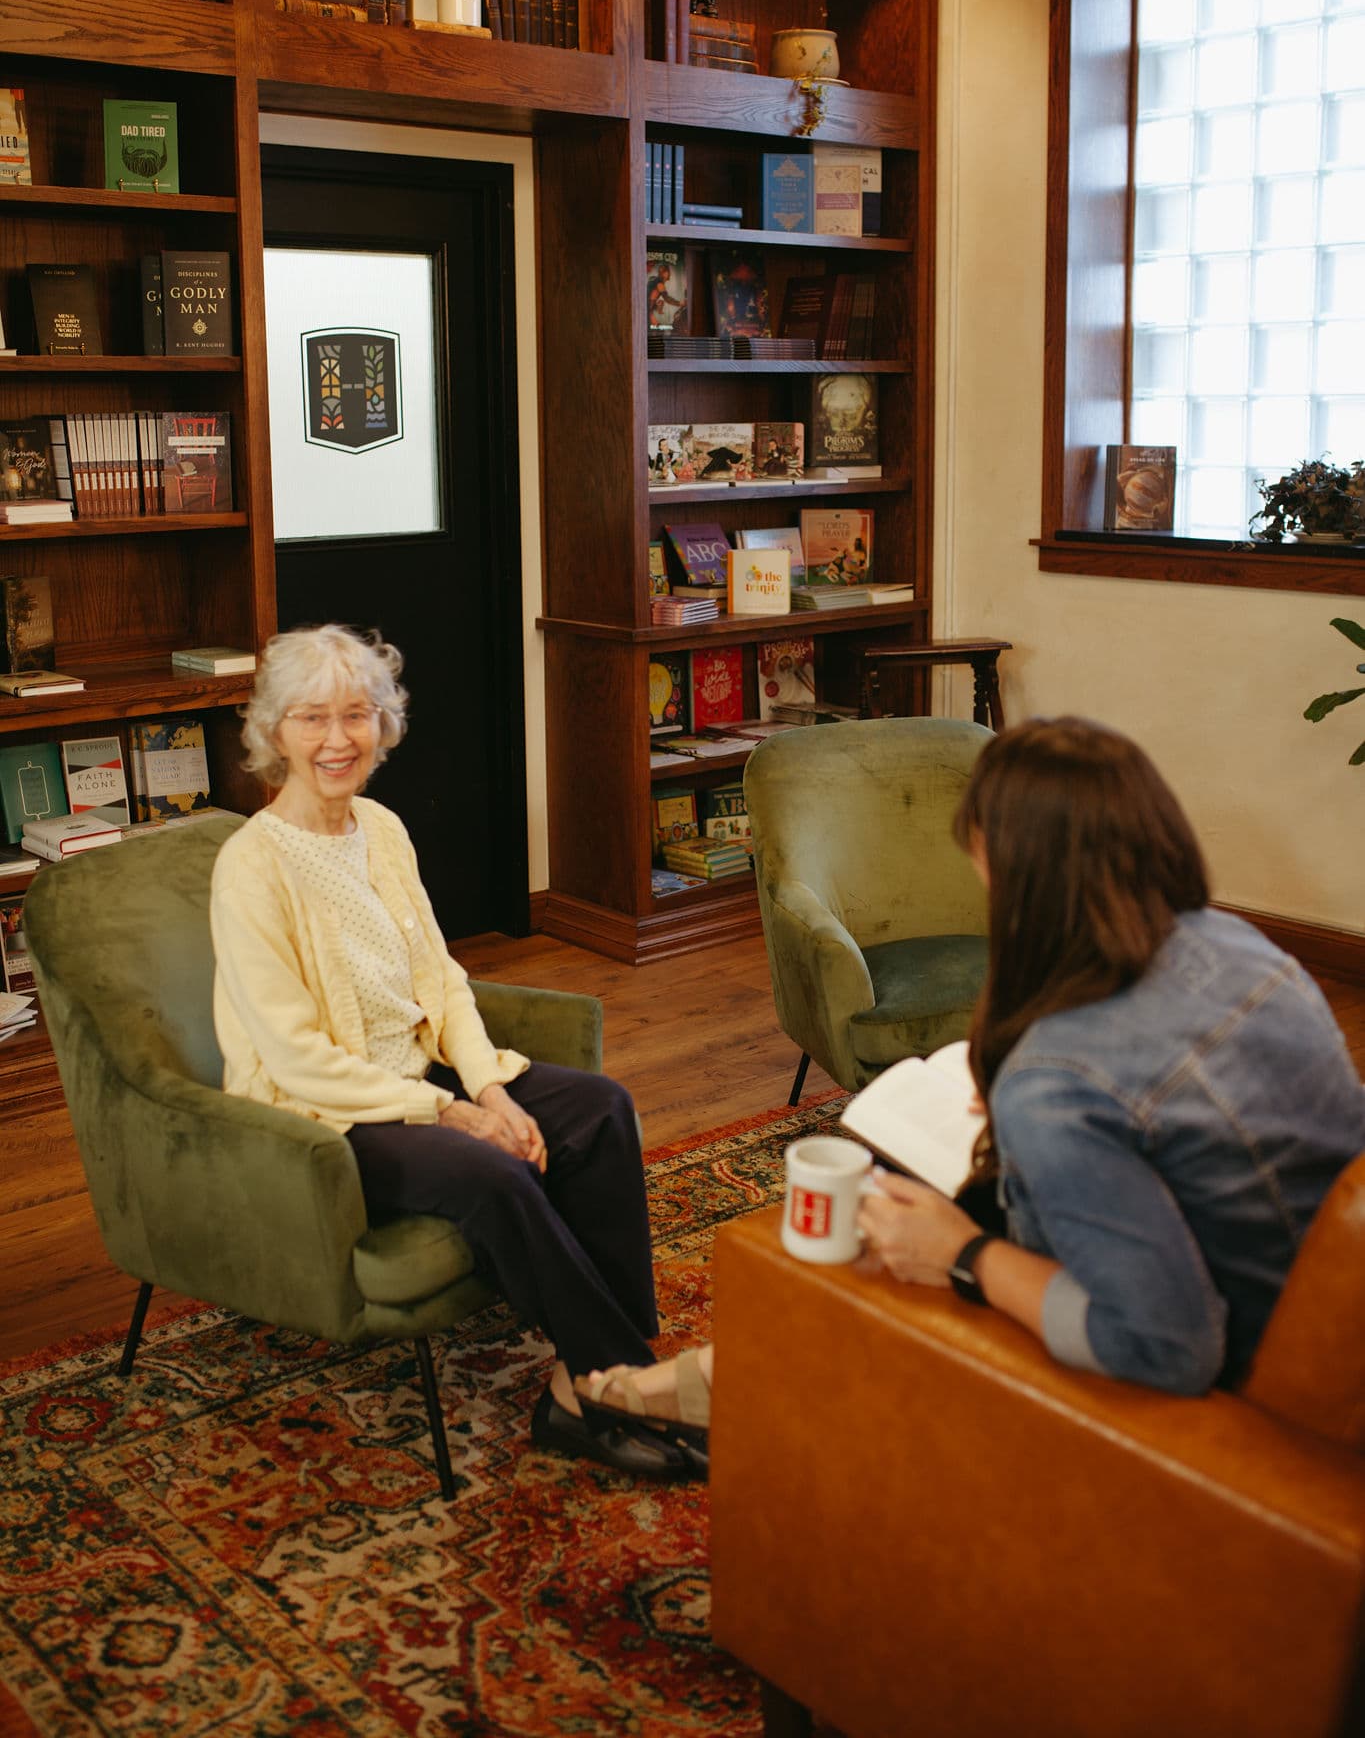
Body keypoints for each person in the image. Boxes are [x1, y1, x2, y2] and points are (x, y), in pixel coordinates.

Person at [577, 715, 1365, 1441]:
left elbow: (1167, 1347)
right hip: (1317, 1296)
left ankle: (734, 1391)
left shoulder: (1057, 1080)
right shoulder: (1241, 949)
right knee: (936, 1190)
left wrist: (963, 1257)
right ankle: (728, 1374)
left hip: (1246, 1367)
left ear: (1011, 870)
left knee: (909, 1233)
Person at [210, 623, 693, 1480]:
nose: (336, 740)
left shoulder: (382, 829)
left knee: (600, 1108)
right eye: (312, 718)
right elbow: (292, 1058)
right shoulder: (252, 866)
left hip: (418, 1073)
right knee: (493, 1172)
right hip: (328, 1119)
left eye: (357, 715)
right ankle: (618, 1381)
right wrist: (453, 1112)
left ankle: (594, 1379)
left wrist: (492, 1090)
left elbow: (442, 980)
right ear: (273, 732)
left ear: (382, 725)